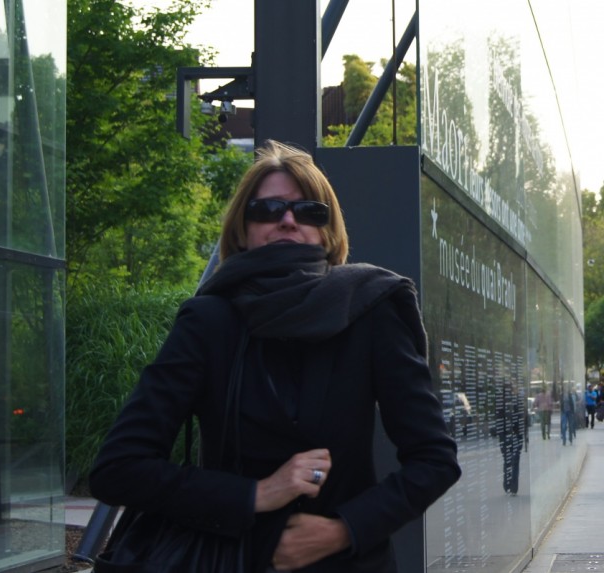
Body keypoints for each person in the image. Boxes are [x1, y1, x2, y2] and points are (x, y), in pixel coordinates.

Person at [89, 140, 461, 572]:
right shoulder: (208, 321)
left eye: (309, 211)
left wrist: (343, 531)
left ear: (327, 231)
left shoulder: (371, 312)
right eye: (267, 209)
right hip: (232, 561)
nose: (287, 219)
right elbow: (118, 469)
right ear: (241, 230)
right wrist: (257, 494)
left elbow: (435, 460)